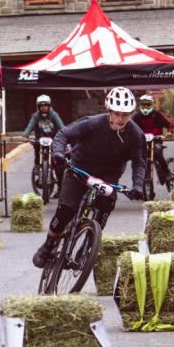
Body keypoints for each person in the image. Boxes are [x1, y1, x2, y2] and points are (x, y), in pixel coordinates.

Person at [32, 87, 145, 268]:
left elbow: (139, 162)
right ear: (109, 111)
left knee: (106, 205)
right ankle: (48, 245)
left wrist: (137, 186)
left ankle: (87, 246)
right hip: (80, 168)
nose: (121, 118)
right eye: (117, 113)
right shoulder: (92, 123)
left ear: (131, 114)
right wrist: (59, 153)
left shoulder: (136, 135)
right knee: (66, 210)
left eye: (125, 114)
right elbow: (63, 134)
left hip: (108, 176)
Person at [22, 94, 66, 192]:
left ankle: (60, 189)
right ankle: (38, 170)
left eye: (45, 105)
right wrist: (25, 135)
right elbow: (30, 126)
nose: (43, 107)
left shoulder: (54, 115)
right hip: (39, 141)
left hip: (53, 141)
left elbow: (61, 127)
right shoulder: (35, 116)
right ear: (38, 107)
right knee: (37, 156)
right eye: (41, 105)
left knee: (58, 165)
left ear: (49, 106)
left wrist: (65, 134)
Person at [132, 94, 174, 185]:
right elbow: (130, 128)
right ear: (140, 105)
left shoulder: (157, 114)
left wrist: (169, 132)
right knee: (138, 158)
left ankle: (166, 173)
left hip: (156, 141)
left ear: (151, 104)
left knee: (158, 153)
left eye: (148, 104)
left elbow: (169, 124)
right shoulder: (136, 116)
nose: (145, 106)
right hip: (142, 142)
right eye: (143, 104)